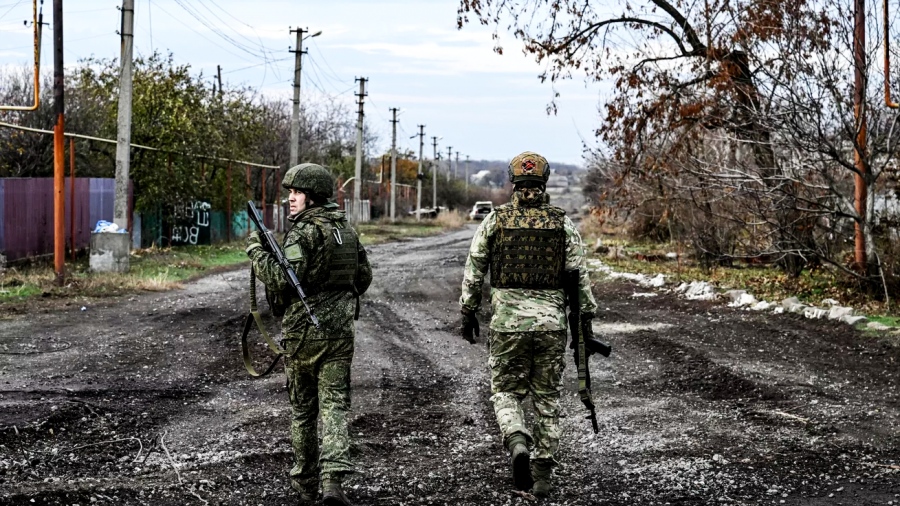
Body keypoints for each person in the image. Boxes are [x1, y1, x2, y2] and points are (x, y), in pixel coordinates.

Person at [458, 151, 598, 498]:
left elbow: (474, 268)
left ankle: (517, 439)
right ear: (544, 183)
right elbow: (580, 276)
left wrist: (468, 310)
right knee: (547, 399)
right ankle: (542, 475)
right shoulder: (562, 223)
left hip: (507, 325)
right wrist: (585, 321)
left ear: (514, 184)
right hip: (551, 325)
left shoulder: (495, 220)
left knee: (505, 392)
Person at [246, 163, 372, 506]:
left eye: (296, 192)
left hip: (304, 333)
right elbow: (363, 278)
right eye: (289, 192)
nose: (291, 198)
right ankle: (333, 483)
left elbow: (283, 278)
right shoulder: (345, 229)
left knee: (303, 410)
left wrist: (256, 252)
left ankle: (304, 484)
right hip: (340, 333)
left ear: (313, 196)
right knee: (334, 405)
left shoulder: (303, 233)